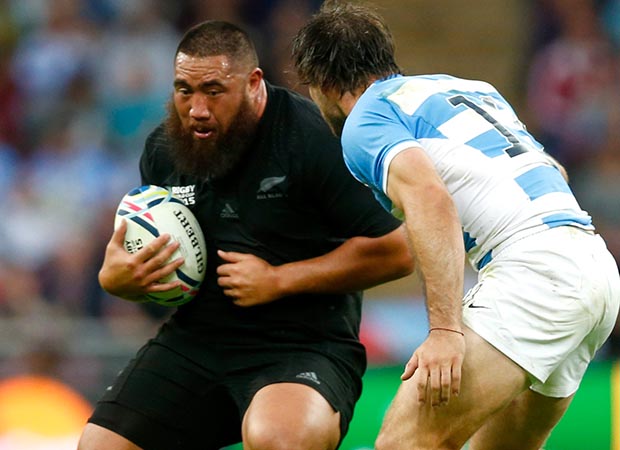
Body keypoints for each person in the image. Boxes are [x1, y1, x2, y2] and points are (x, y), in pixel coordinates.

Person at [291, 2, 620, 449]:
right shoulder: (470, 89)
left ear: (322, 85)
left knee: (403, 442)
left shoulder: (365, 120)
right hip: (593, 267)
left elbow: (431, 199)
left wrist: (445, 331)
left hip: (535, 274)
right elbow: (553, 170)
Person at [77, 20, 413, 450]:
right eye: (184, 91)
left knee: (278, 440)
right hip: (195, 341)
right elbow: (164, 268)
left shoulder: (313, 137)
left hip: (303, 345)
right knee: (99, 445)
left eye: (213, 91)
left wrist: (279, 279)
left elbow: (398, 251)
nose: (197, 109)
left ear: (254, 84)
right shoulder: (164, 149)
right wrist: (121, 280)